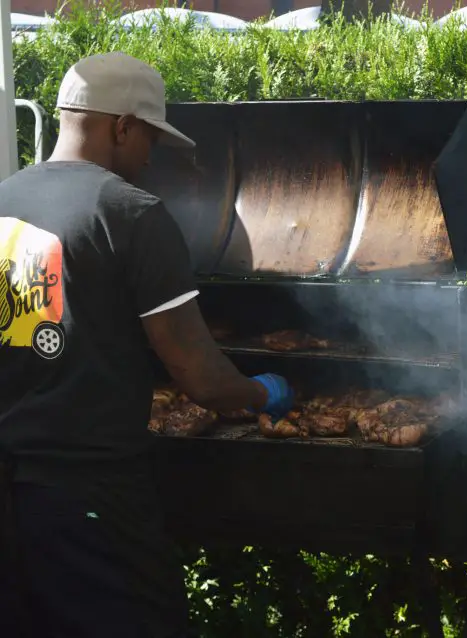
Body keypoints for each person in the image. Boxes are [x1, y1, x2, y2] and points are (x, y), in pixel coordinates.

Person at [0, 52, 294, 637]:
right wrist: (262, 393)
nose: (151, 155)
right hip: (92, 499)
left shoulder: (6, 202)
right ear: (121, 126)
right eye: (151, 138)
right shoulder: (130, 214)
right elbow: (200, 377)